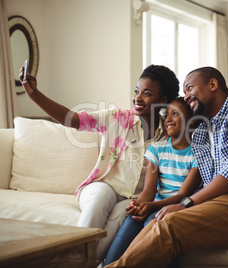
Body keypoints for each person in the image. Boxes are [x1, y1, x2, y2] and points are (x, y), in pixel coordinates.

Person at [105, 66, 228, 268]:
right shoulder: (203, 131)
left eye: (189, 88)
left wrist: (185, 203)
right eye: (184, 92)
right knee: (157, 222)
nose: (186, 96)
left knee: (170, 225)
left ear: (212, 84)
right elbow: (208, 181)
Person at [19, 64, 179, 260]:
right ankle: (73, 258)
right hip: (104, 186)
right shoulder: (117, 118)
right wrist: (35, 94)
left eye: (146, 94)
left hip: (135, 198)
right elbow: (73, 120)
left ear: (163, 100)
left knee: (121, 216)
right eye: (136, 91)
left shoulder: (169, 135)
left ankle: (76, 263)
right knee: (100, 200)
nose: (137, 98)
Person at [104, 97, 202, 265]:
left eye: (175, 114)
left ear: (192, 122)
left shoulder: (198, 154)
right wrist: (138, 205)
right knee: (130, 223)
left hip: (178, 209)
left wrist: (151, 207)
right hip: (155, 206)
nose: (168, 119)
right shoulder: (156, 149)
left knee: (151, 224)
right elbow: (148, 191)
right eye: (166, 115)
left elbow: (183, 194)